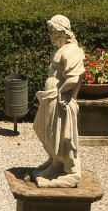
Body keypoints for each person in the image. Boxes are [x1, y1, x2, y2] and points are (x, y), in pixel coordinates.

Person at [31, 15, 84, 188]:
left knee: (56, 134)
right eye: (50, 32)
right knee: (43, 128)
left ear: (63, 32)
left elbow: (73, 79)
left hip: (59, 99)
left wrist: (61, 93)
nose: (51, 35)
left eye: (53, 32)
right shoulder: (59, 49)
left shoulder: (72, 51)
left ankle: (58, 166)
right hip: (49, 96)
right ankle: (53, 159)